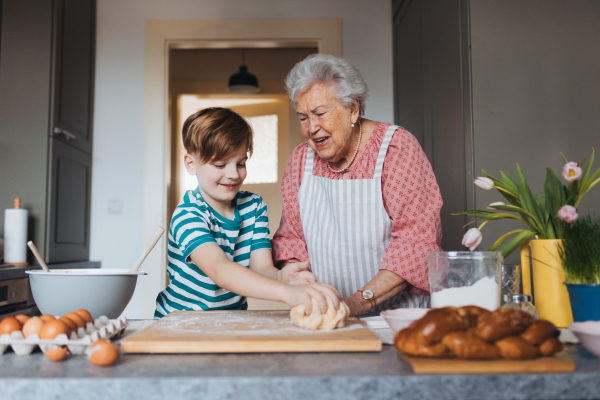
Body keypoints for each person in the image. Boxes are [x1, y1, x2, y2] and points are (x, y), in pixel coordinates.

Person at [271, 54, 443, 317]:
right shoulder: (300, 159)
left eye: (319, 113)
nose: (312, 128)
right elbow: (292, 238)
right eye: (303, 117)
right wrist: (300, 281)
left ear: (352, 108)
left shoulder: (396, 149)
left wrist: (357, 302)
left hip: (396, 317)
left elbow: (416, 242)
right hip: (326, 313)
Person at [155, 107, 341, 318]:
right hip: (180, 322)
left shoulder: (253, 206)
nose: (233, 174)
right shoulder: (188, 214)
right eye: (220, 164)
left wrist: (280, 276)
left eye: (241, 163)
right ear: (191, 164)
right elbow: (220, 270)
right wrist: (287, 293)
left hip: (231, 320)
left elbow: (261, 267)